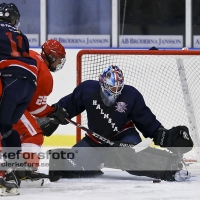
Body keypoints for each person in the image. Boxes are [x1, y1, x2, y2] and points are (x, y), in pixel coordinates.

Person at [41, 65, 193, 182]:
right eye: (109, 90)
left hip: (124, 137)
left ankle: (171, 169)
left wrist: (165, 136)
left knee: (132, 160)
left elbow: (147, 122)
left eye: (117, 91)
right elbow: (66, 107)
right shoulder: (87, 90)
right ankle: (96, 161)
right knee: (69, 166)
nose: (112, 95)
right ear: (102, 83)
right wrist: (53, 115)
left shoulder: (131, 95)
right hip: (96, 140)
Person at [1, 39, 69, 188]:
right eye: (58, 60)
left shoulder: (29, 54)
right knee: (33, 134)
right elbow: (35, 108)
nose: (58, 64)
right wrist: (53, 112)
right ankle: (24, 170)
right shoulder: (45, 75)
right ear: (50, 57)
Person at [0, 3, 38, 196]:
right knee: (6, 127)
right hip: (29, 83)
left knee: (3, 126)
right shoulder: (21, 35)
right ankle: (11, 174)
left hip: (10, 79)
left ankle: (7, 174)